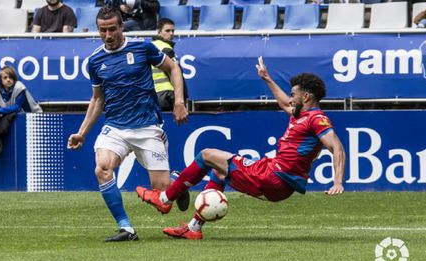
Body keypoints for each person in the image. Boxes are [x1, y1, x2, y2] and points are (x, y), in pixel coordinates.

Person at [136, 56, 346, 240]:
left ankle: (164, 199)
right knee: (218, 171)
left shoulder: (317, 119)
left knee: (206, 155)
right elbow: (284, 104)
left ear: (306, 97)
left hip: (274, 177)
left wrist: (338, 182)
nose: (290, 99)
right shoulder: (301, 114)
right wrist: (267, 78)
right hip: (276, 178)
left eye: (293, 94)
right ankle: (193, 228)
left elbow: (337, 147)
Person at [67, 6, 189, 242]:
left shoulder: (142, 48)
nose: (108, 35)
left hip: (146, 125)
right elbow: (97, 99)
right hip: (115, 127)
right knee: (102, 168)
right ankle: (126, 228)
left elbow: (173, 68)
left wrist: (179, 101)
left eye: (113, 29)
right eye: (103, 30)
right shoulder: (94, 61)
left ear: (122, 27)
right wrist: (82, 133)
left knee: (162, 192)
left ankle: (176, 183)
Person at [0, 66, 42, 158]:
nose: (8, 80)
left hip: (32, 118)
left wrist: (0, 110)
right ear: (1, 81)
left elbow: (17, 107)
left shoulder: (19, 87)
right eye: (5, 78)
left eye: (11, 77)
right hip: (10, 118)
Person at [152, 18, 189, 111]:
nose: (171, 34)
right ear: (159, 32)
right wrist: (182, 99)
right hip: (166, 95)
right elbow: (176, 74)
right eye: (167, 31)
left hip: (153, 95)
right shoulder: (165, 48)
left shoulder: (151, 46)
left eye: (173, 31)